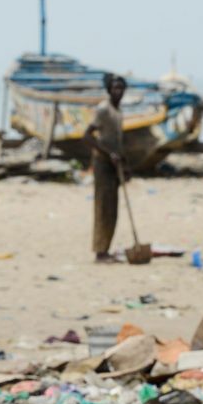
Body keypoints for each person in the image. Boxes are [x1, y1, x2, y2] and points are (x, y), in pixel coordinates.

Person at [82, 74, 126, 263]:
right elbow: (87, 135)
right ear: (109, 90)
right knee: (103, 207)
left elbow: (118, 140)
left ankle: (106, 248)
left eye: (121, 88)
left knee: (113, 208)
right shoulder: (103, 109)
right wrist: (108, 153)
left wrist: (124, 163)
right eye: (115, 88)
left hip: (115, 164)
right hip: (102, 163)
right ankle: (100, 252)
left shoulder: (118, 111)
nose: (118, 92)